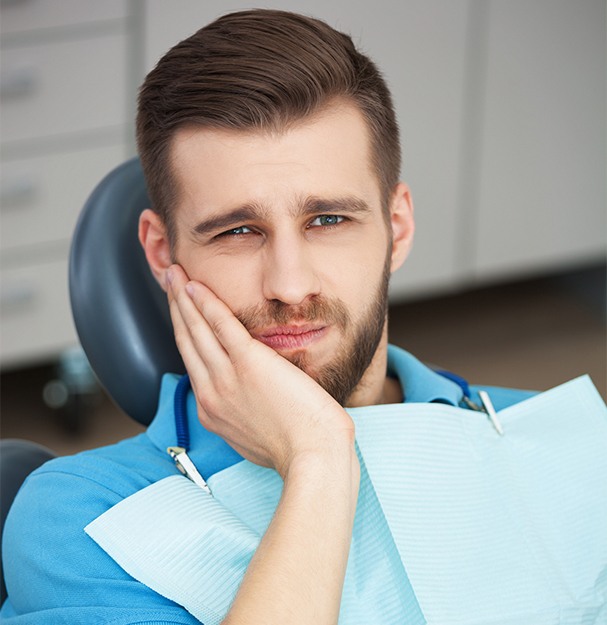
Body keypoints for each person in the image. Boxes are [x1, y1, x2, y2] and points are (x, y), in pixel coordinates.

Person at [1, 9, 536, 624]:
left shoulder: (545, 443)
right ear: (161, 252)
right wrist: (318, 460)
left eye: (328, 220)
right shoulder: (82, 520)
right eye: (237, 230)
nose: (289, 284)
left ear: (397, 226)